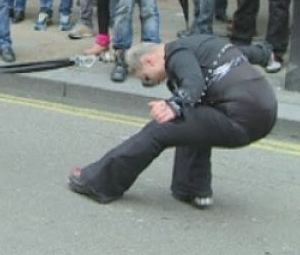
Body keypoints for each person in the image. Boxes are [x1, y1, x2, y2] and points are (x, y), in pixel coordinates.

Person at [69, 34, 277, 208]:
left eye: (146, 78)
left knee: (161, 128)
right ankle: (193, 190)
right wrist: (265, 53)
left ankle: (98, 183)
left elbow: (193, 82)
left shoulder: (176, 53)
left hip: (240, 117)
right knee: (192, 120)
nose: (149, 82)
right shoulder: (200, 45)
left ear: (149, 60)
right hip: (264, 113)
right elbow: (244, 52)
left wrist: (174, 105)